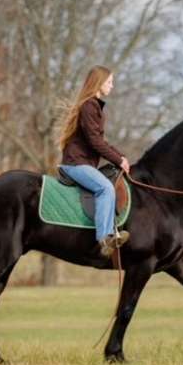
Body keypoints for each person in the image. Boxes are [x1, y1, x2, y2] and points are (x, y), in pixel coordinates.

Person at [58, 65, 130, 257]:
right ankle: (104, 239)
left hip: (83, 163)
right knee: (105, 188)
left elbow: (99, 140)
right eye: (109, 82)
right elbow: (95, 141)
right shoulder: (89, 106)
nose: (112, 86)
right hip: (76, 163)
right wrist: (118, 159)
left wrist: (120, 157)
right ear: (98, 83)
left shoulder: (94, 107)